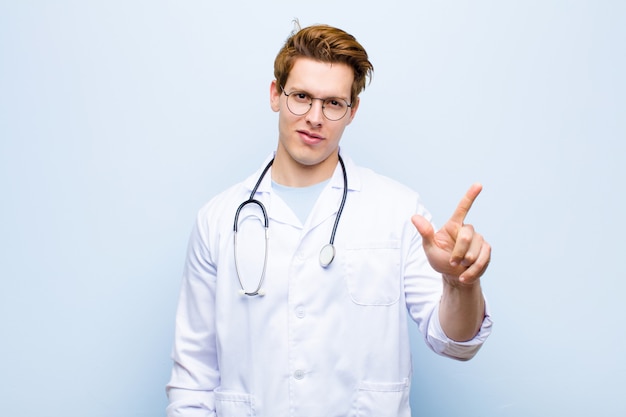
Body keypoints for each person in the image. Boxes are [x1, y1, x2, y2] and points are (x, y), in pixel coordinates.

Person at [166, 22, 492, 417]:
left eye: (333, 103)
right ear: (275, 95)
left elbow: (455, 343)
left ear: (352, 111)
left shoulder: (397, 210)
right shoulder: (218, 220)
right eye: (301, 96)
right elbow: (192, 379)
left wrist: (460, 285)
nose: (315, 117)